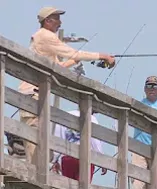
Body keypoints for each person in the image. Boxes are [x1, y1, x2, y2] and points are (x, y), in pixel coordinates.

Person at [15, 6, 115, 164]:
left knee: (38, 139)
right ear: (48, 21)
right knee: (34, 139)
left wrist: (73, 61)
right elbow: (73, 52)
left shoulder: (42, 38)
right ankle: (33, 175)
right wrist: (101, 55)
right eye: (57, 19)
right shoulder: (46, 35)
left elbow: (56, 66)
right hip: (33, 94)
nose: (60, 23)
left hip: (35, 94)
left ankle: (34, 172)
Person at [131, 76, 157, 189]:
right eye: (149, 86)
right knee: (138, 180)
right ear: (144, 89)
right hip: (139, 146)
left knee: (155, 183)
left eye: (155, 86)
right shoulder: (138, 104)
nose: (152, 89)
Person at [50, 110, 107, 182]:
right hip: (86, 158)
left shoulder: (67, 115)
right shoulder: (92, 119)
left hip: (67, 158)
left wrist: (55, 159)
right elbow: (95, 142)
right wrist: (102, 161)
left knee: (68, 185)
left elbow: (58, 138)